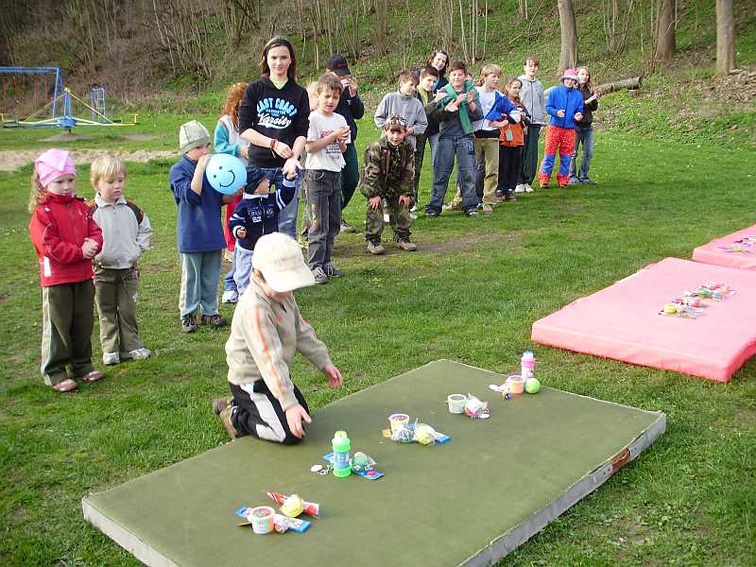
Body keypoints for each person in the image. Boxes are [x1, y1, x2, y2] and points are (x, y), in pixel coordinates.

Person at [213, 232, 344, 443]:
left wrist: (324, 362)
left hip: (272, 375)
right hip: (252, 380)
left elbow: (302, 331)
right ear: (259, 275)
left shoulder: (283, 295)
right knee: (289, 433)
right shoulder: (255, 308)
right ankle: (236, 416)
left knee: (302, 418)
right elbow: (269, 358)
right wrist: (288, 403)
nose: (289, 289)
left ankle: (247, 406)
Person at [28, 149, 104, 392]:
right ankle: (55, 371)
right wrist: (79, 252)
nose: (66, 186)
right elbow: (49, 246)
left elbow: (95, 230)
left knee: (83, 323)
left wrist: (94, 244)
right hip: (57, 279)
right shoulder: (43, 213)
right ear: (44, 183)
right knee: (58, 325)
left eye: (70, 180)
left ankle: (82, 365)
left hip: (83, 275)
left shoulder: (81, 207)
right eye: (59, 181)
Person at [238, 36, 309, 240]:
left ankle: (285, 269)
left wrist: (293, 159)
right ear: (266, 59)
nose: (278, 62)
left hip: (286, 168)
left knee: (286, 223)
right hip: (258, 164)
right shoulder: (254, 89)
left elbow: (302, 132)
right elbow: (244, 129)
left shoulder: (299, 93)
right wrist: (273, 143)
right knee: (255, 221)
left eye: (283, 57)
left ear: (291, 60)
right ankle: (256, 269)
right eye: (274, 57)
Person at [89, 154, 153, 366]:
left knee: (127, 309)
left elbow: (145, 229)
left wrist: (137, 249)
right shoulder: (90, 212)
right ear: (96, 183)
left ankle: (132, 346)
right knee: (106, 310)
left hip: (127, 270)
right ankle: (109, 349)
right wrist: (93, 254)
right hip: (101, 271)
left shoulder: (132, 209)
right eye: (110, 182)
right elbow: (82, 236)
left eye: (120, 180)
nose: (117, 186)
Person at [169, 120, 231, 333]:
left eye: (207, 146)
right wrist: (201, 168)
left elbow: (220, 198)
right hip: (192, 235)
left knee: (211, 276)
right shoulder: (178, 170)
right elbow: (192, 195)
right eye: (198, 147)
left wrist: (233, 191)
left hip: (213, 233)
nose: (204, 151)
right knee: (191, 277)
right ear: (187, 149)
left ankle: (210, 311)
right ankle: (188, 314)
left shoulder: (213, 167)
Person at [304, 74, 351, 284]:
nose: (331, 101)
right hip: (317, 175)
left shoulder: (340, 120)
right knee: (318, 224)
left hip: (334, 173)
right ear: (318, 96)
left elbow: (342, 149)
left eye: (335, 97)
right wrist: (333, 136)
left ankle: (327, 262)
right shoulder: (313, 119)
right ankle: (314, 266)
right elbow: (310, 147)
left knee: (333, 222)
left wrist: (340, 142)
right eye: (327, 96)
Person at [424, 60, 482, 218]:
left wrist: (470, 103)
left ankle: (470, 205)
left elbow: (478, 116)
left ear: (465, 76)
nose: (457, 77)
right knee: (441, 173)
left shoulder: (472, 92)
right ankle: (435, 206)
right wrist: (449, 108)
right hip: (446, 137)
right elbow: (435, 117)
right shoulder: (443, 92)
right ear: (450, 76)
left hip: (465, 136)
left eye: (460, 74)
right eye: (454, 74)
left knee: (468, 172)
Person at [228, 166, 296, 295]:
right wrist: (238, 230)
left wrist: (289, 179)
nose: (269, 181)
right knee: (245, 275)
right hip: (248, 250)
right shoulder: (244, 206)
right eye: (264, 180)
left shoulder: (271, 200)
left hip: (268, 250)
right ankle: (245, 297)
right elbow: (234, 222)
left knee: (269, 273)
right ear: (255, 187)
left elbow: (286, 195)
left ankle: (268, 295)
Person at [360, 115, 417, 255]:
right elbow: (371, 173)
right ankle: (373, 239)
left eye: (399, 133)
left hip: (396, 184)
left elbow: (409, 171)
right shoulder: (376, 147)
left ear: (405, 133)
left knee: (404, 202)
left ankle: (402, 235)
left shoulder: (408, 147)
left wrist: (406, 192)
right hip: (375, 184)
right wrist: (373, 194)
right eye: (392, 132)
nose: (395, 136)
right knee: (375, 206)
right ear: (386, 131)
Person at [215, 82, 250, 305]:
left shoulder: (253, 119)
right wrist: (238, 149)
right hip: (232, 172)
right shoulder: (225, 123)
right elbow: (219, 146)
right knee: (233, 208)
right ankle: (231, 243)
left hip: (251, 171)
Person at [325, 54, 364, 233]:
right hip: (330, 143)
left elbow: (359, 113)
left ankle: (335, 214)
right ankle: (332, 219)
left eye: (344, 75)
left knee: (352, 179)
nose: (342, 78)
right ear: (329, 72)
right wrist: (339, 94)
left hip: (349, 141)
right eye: (338, 75)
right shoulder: (325, 92)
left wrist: (353, 96)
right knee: (334, 183)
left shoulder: (348, 90)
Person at [538, 68, 584, 189]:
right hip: (554, 127)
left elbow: (579, 110)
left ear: (575, 82)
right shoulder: (555, 92)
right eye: (567, 79)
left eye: (572, 80)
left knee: (566, 156)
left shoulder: (577, 95)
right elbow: (548, 107)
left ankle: (563, 179)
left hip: (570, 129)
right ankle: (544, 179)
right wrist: (556, 112)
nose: (569, 82)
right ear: (563, 79)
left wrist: (578, 115)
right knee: (549, 154)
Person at [491, 78, 529, 202]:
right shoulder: (502, 101)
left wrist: (523, 117)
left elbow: (528, 119)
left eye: (519, 88)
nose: (517, 90)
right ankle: (499, 189)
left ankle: (510, 189)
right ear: (507, 88)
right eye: (514, 87)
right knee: (503, 164)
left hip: (517, 138)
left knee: (514, 164)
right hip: (504, 137)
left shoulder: (520, 104)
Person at [374, 69, 428, 154]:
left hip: (407, 146)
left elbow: (423, 124)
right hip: (387, 144)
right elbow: (378, 117)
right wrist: (389, 130)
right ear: (402, 84)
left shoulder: (417, 103)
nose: (414, 88)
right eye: (411, 85)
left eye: (415, 86)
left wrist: (411, 130)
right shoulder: (389, 98)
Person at [472, 64, 502, 214]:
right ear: (484, 77)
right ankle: (466, 199)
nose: (496, 79)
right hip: (475, 135)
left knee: (492, 170)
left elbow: (514, 114)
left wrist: (501, 122)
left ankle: (488, 201)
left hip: (492, 137)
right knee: (471, 169)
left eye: (498, 77)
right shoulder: (475, 92)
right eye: (493, 76)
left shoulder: (500, 96)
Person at [517, 56, 546, 193]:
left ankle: (528, 181)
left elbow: (542, 103)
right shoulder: (519, 82)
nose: (532, 68)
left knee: (532, 153)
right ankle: (518, 181)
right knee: (520, 151)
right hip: (522, 122)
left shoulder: (539, 84)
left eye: (535, 66)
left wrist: (542, 122)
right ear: (525, 67)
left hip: (536, 122)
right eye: (530, 65)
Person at [569, 66, 601, 185]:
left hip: (587, 126)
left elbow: (594, 108)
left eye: (587, 75)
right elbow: (575, 105)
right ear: (577, 75)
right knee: (573, 152)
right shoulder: (572, 90)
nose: (584, 77)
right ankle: (571, 176)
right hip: (575, 125)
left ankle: (583, 176)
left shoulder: (589, 90)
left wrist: (594, 99)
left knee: (588, 152)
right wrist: (588, 100)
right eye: (582, 74)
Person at [414, 66, 440, 208]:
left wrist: (444, 107)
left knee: (418, 167)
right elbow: (419, 113)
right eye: (429, 80)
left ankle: (414, 200)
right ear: (421, 79)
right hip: (414, 135)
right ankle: (411, 200)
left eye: (434, 81)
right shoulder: (414, 93)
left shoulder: (431, 94)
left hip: (426, 133)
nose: (431, 84)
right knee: (412, 168)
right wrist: (435, 103)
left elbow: (433, 116)